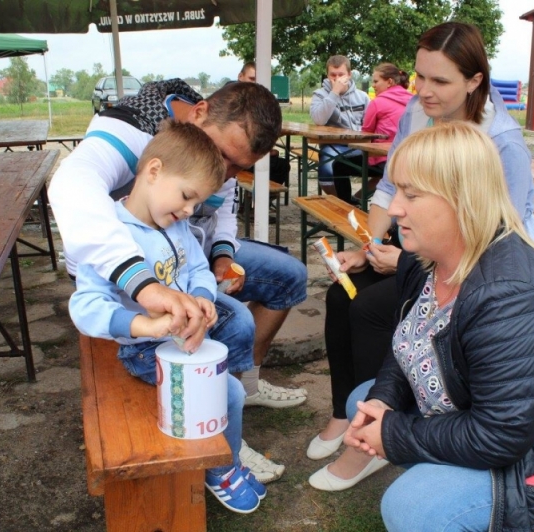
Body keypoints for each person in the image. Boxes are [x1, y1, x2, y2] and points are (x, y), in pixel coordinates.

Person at [332, 122, 534, 530]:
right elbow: (406, 342)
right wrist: (385, 402)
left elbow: (502, 433)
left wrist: (395, 435)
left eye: (412, 193)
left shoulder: (511, 297)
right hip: (492, 425)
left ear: (462, 199)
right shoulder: (427, 258)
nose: (394, 208)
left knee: (412, 508)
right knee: (364, 401)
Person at [49, 79, 308, 484]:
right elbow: (70, 183)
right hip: (123, 264)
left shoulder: (211, 167)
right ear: (199, 112)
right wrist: (145, 286)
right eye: (223, 157)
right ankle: (220, 411)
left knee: (288, 277)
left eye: (239, 167)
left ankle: (241, 386)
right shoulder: (132, 129)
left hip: (186, 251)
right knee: (230, 316)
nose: (226, 173)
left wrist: (223, 255)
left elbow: (223, 209)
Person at [307, 22, 534, 469]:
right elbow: (390, 187)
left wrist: (410, 262)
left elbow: (502, 239)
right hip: (417, 249)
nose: (424, 91)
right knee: (340, 294)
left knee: (370, 310)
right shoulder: (416, 112)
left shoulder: (502, 143)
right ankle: (343, 414)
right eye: (419, 77)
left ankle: (382, 431)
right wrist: (371, 247)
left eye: (440, 81)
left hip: (467, 270)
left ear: (475, 82)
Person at [67, 121, 266, 514]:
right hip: (143, 348)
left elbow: (198, 270)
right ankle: (222, 467)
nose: (190, 211)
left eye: (197, 204)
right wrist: (146, 326)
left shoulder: (175, 225)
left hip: (181, 333)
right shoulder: (108, 232)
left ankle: (222, 415)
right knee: (230, 393)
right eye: (187, 197)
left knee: (240, 319)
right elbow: (85, 306)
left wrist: (202, 297)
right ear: (154, 171)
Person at [333, 63, 412, 195]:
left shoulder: (377, 102)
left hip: (384, 160)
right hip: (410, 160)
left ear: (390, 82)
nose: (373, 85)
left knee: (338, 164)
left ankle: (346, 206)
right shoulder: (414, 100)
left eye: (376, 81)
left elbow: (366, 134)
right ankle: (358, 198)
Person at [310, 55, 369, 202]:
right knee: (326, 172)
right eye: (333, 75)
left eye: (341, 75)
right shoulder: (320, 95)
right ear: (327, 75)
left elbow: (371, 123)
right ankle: (341, 204)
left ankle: (354, 200)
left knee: (388, 169)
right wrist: (334, 93)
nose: (337, 79)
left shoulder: (362, 97)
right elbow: (318, 119)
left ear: (349, 74)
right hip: (333, 145)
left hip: (360, 146)